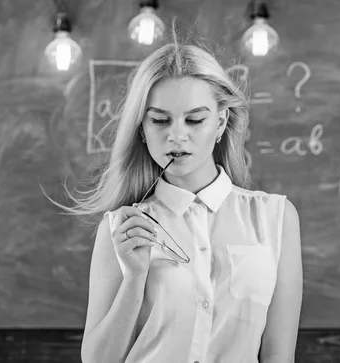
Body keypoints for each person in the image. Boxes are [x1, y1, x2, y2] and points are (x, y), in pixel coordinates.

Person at [52, 35, 303, 363]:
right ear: (142, 128)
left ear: (221, 122)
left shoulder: (275, 218)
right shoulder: (120, 228)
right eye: (160, 120)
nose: (177, 135)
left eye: (195, 119)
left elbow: (278, 357)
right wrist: (134, 278)